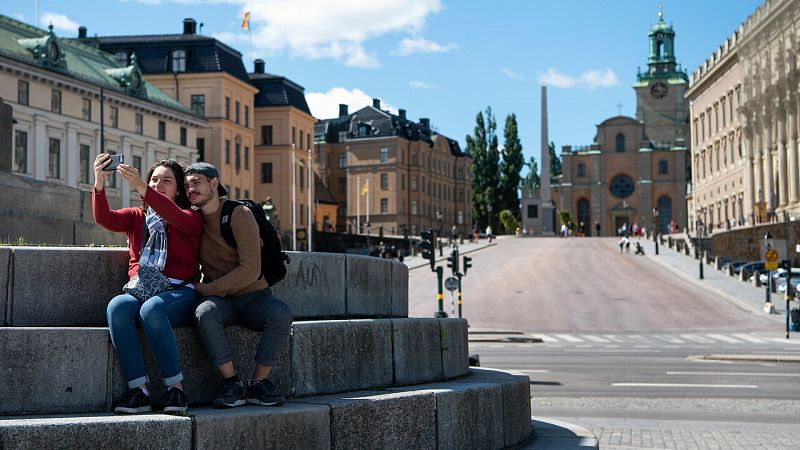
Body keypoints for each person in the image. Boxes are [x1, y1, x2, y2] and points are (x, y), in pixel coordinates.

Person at [93, 156, 202, 414]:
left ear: (179, 190)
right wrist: (99, 183)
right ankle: (138, 391)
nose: (158, 184)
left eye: (167, 181)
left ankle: (176, 390)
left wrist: (142, 186)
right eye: (154, 180)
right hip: (141, 288)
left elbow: (172, 214)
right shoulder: (137, 217)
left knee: (152, 309)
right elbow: (104, 218)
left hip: (178, 291)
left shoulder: (189, 217)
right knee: (117, 307)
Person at [184, 163, 293, 409]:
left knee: (281, 314)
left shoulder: (238, 214)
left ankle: (259, 383)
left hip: (253, 296)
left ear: (214, 183)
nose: (191, 188)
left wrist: (204, 290)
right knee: (204, 313)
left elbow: (251, 269)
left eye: (197, 182)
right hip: (222, 302)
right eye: (187, 185)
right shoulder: (192, 220)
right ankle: (231, 382)